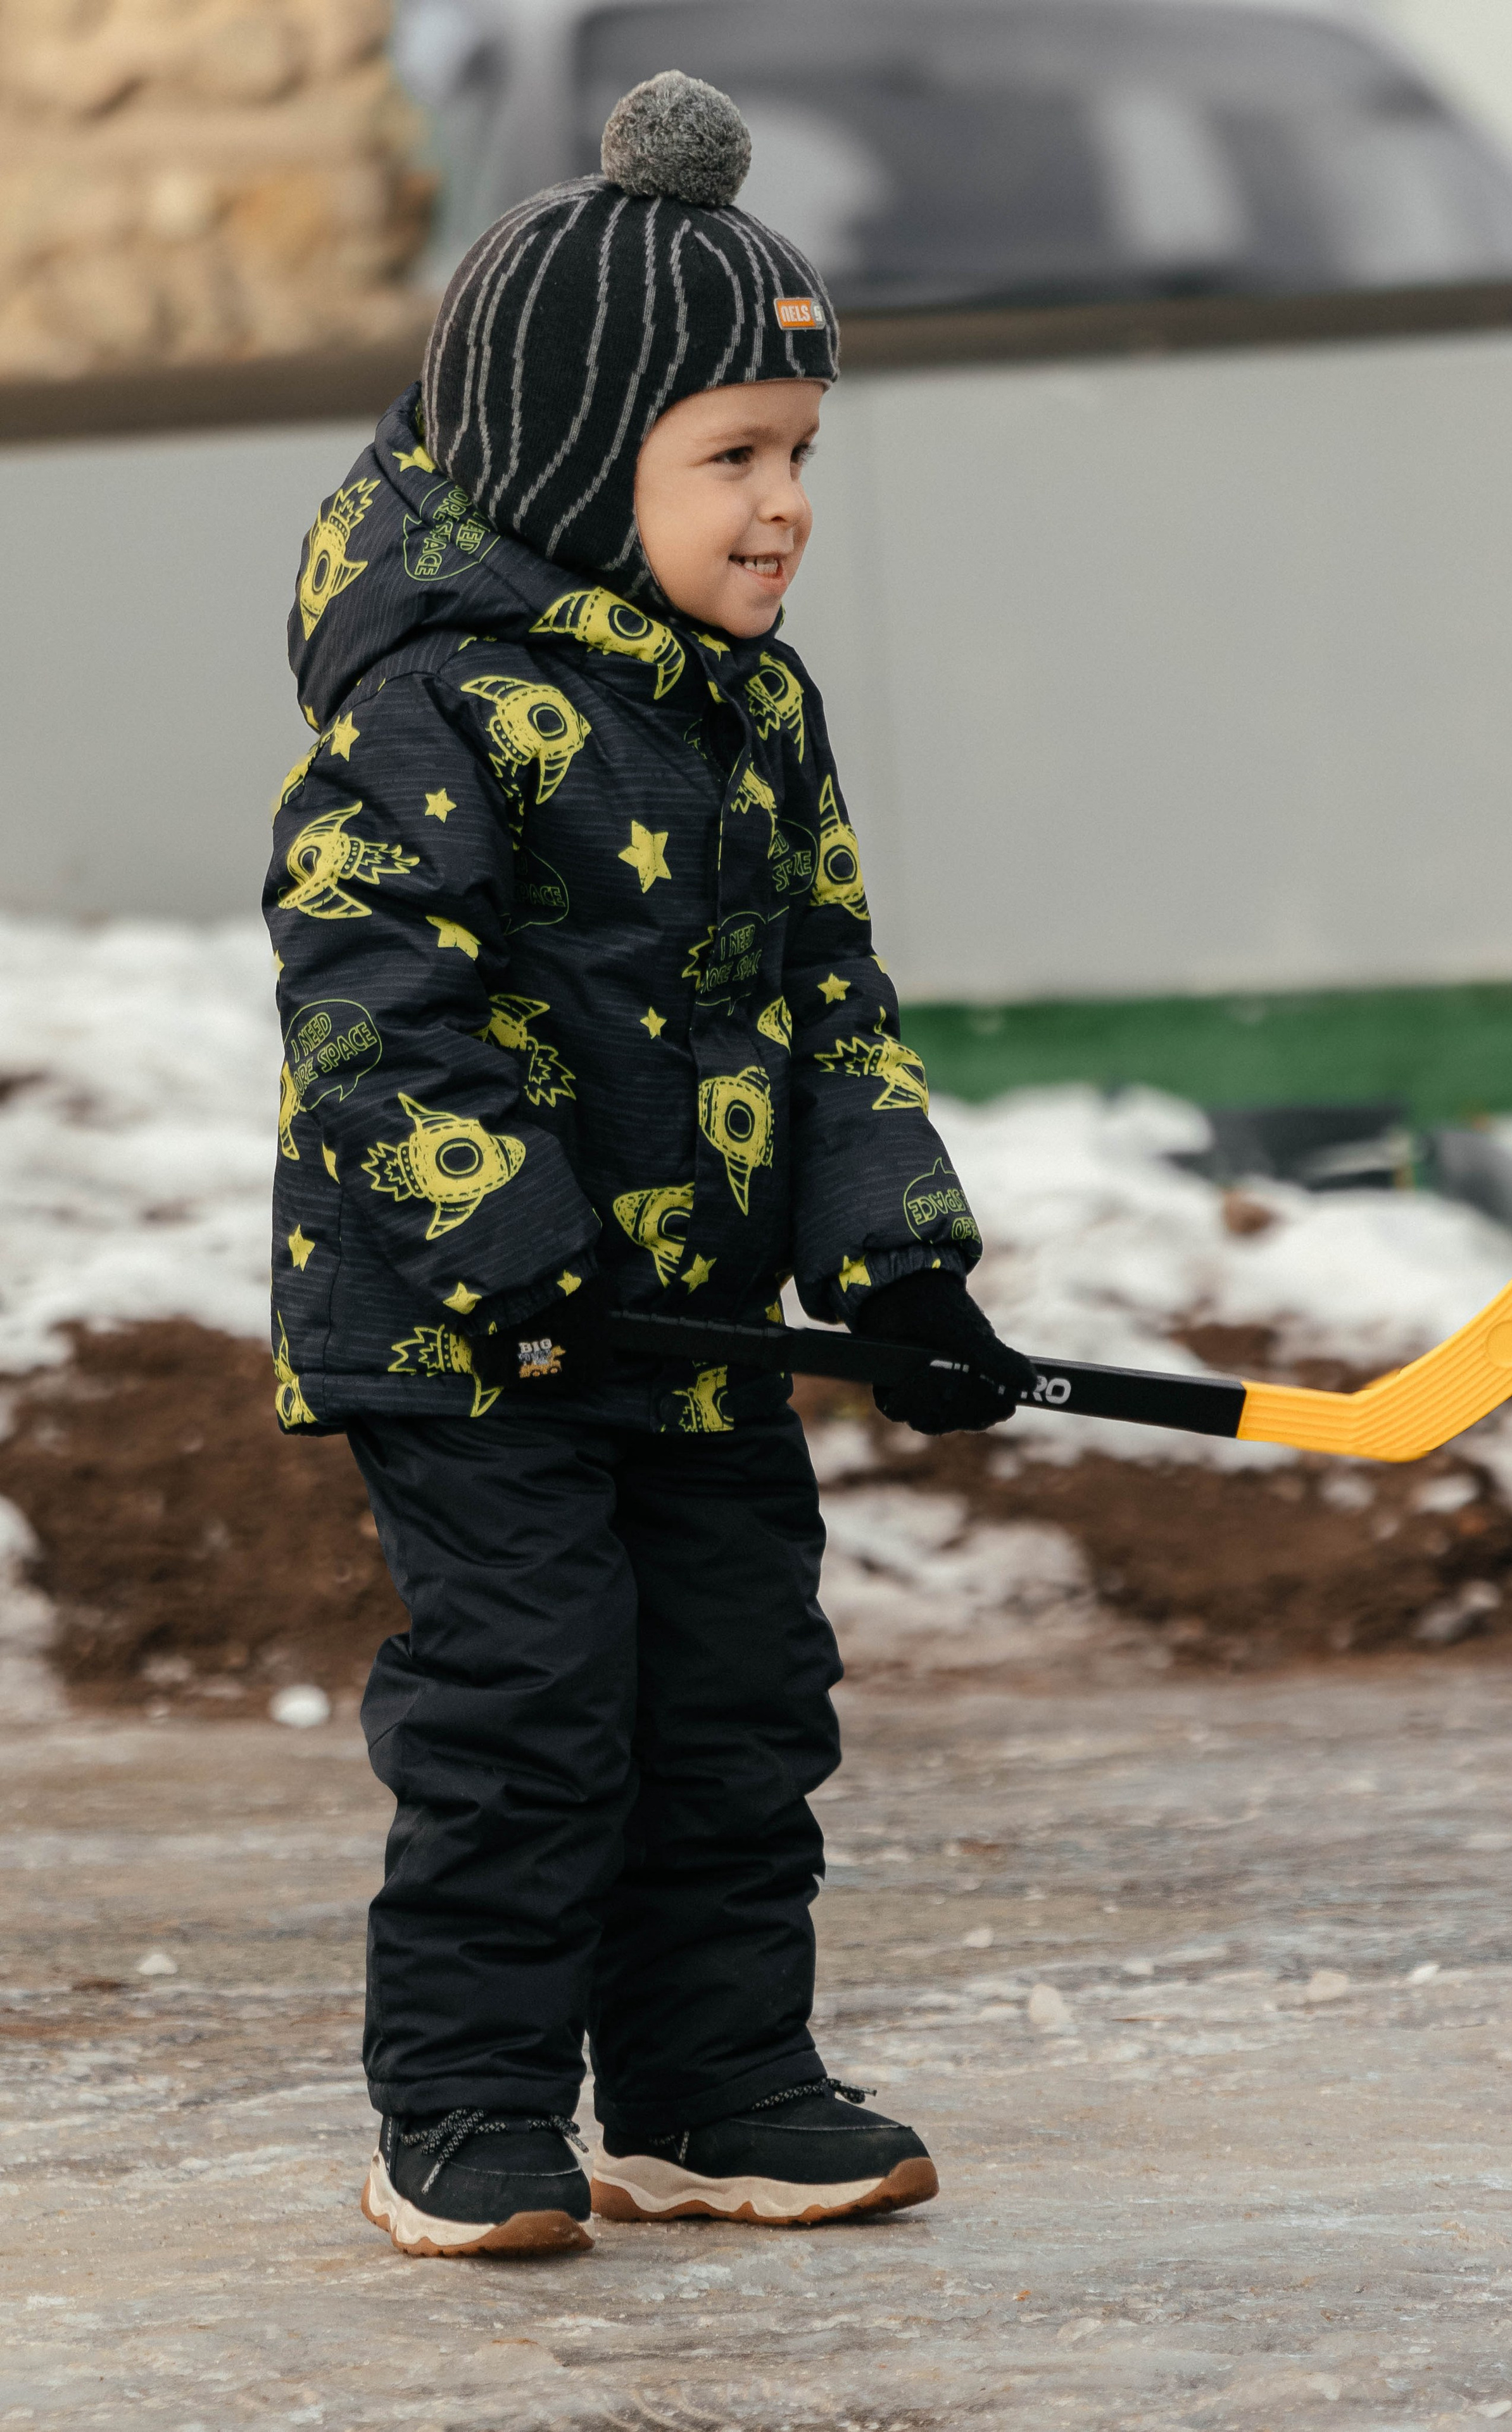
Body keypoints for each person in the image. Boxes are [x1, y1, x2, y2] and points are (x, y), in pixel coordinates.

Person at [265, 70, 1034, 2259]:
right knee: (532, 1707)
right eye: (733, 458)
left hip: (696, 1331)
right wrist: (504, 1249)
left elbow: (824, 990)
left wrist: (898, 1263)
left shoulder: (753, 710)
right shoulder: (434, 705)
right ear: (570, 464)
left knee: (733, 1702)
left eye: (801, 458)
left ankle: (710, 2085)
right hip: (471, 1329)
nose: (786, 507)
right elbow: (365, 996)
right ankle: (470, 2106)